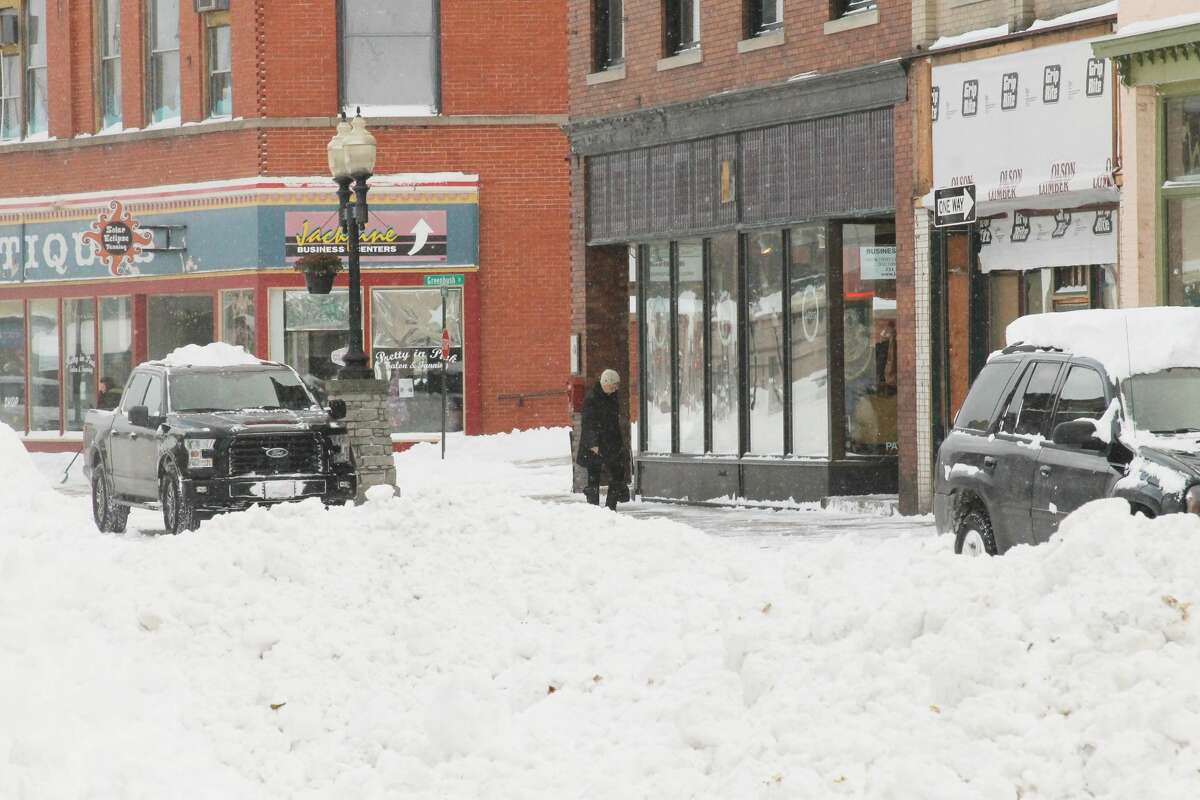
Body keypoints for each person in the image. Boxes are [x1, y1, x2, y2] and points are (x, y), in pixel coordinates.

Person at [576, 368, 628, 510]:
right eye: (613, 385)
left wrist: (619, 443)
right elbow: (588, 423)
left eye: (616, 386)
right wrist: (593, 443)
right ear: (606, 383)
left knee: (617, 472)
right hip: (596, 444)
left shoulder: (612, 397)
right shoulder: (592, 399)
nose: (615, 388)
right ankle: (593, 507)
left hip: (610, 441)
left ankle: (610, 507)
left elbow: (613, 422)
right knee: (594, 475)